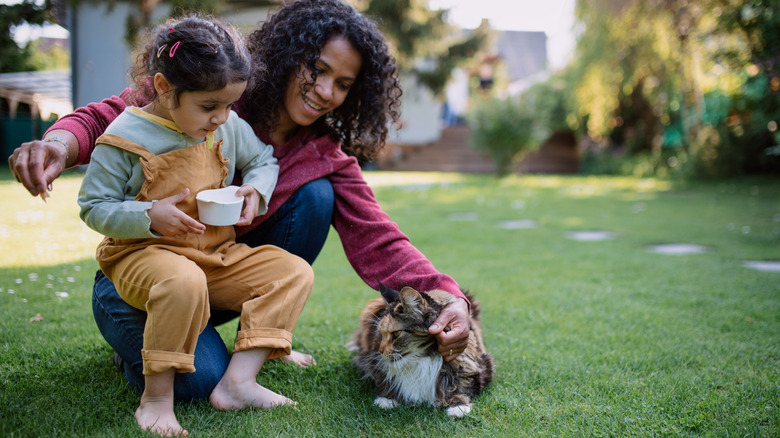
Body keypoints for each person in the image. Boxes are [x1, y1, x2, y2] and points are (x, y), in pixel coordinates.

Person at [8, 0, 471, 403]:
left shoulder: (322, 153)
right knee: (198, 383)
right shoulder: (217, 95)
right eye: (318, 69)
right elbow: (107, 117)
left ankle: (259, 338)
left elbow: (380, 238)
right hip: (145, 274)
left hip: (217, 272)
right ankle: (141, 340)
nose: (327, 91)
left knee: (315, 195)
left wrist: (448, 298)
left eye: (344, 83)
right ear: (289, 56)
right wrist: (57, 145)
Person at [76, 14, 313, 436]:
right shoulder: (125, 137)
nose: (221, 118)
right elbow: (93, 206)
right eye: (209, 106)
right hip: (143, 256)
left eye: (228, 105)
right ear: (165, 89)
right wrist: (147, 216)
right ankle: (155, 400)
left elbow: (262, 160)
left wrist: (254, 191)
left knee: (292, 272)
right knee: (183, 282)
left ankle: (240, 382)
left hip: (213, 253)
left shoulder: (225, 127)